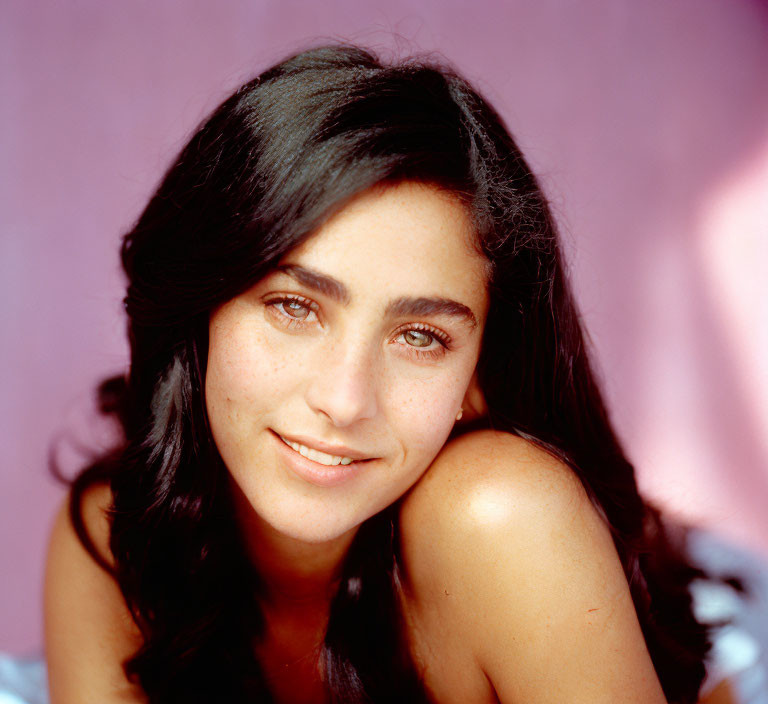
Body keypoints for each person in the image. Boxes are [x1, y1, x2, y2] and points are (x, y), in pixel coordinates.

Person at [43, 44, 718, 703]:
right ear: (201, 312)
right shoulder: (119, 533)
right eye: (293, 306)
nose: (344, 399)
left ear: (477, 377)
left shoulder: (500, 513)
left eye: (420, 337)